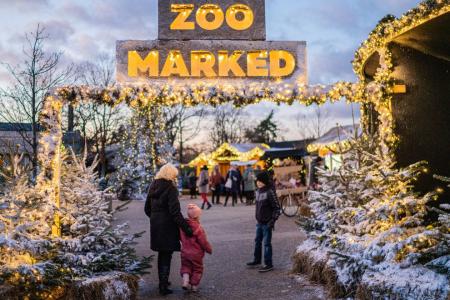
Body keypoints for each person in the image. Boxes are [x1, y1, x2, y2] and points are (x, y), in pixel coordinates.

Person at [145, 163, 194, 296]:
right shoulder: (170, 189)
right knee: (166, 255)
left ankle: (163, 281)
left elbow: (147, 209)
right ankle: (163, 286)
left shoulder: (152, 186)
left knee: (162, 254)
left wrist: (155, 218)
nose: (175, 178)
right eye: (174, 175)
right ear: (170, 175)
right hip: (167, 227)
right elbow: (175, 212)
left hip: (156, 226)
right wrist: (187, 228)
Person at [247, 171, 281, 273]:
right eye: (258, 181)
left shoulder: (270, 192)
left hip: (267, 223)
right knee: (257, 241)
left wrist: (272, 220)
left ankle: (268, 263)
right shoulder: (258, 191)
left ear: (265, 182)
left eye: (261, 181)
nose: (259, 183)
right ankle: (257, 260)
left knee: (266, 243)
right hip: (259, 222)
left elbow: (277, 208)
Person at [180, 204, 213, 292]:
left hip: (185, 252)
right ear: (197, 216)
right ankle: (194, 286)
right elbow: (203, 241)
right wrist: (209, 249)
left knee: (186, 267)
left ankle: (185, 281)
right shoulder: (198, 228)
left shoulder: (183, 227)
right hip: (196, 254)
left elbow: (180, 237)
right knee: (197, 269)